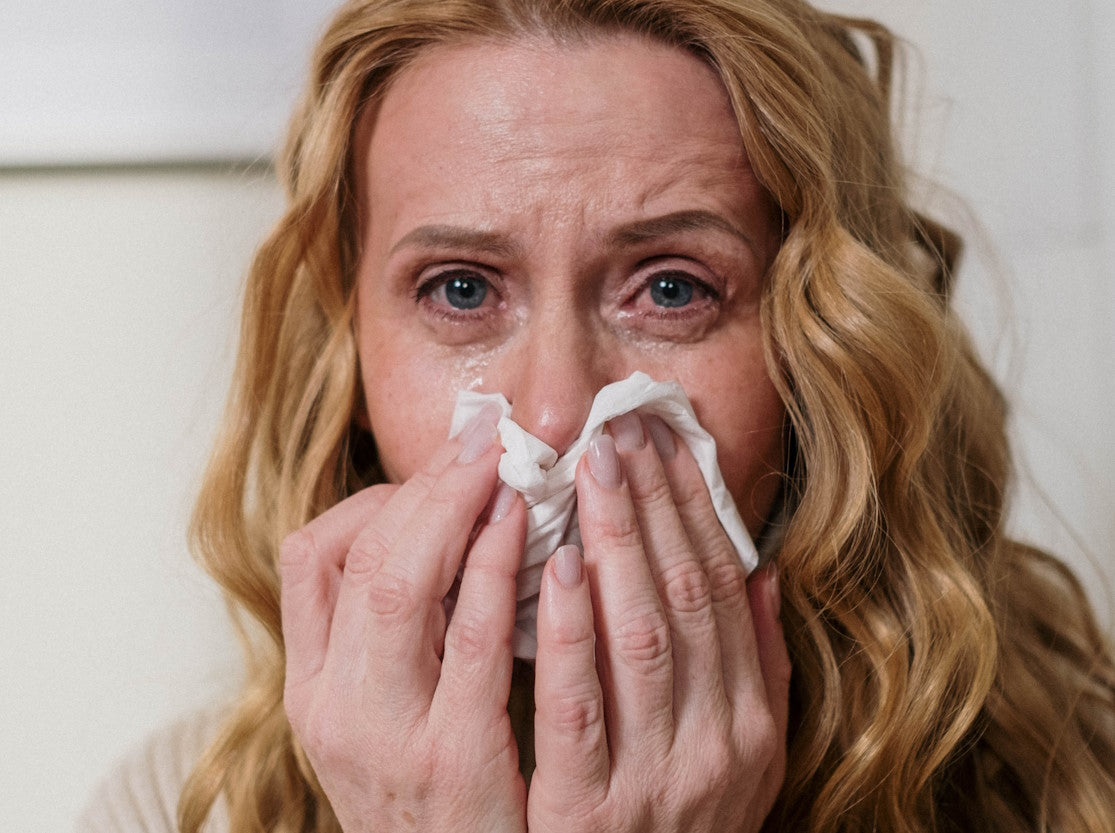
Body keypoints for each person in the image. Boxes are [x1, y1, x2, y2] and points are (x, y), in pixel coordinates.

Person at [80, 0, 1115, 831]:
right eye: (459, 290)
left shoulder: (1075, 777)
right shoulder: (185, 806)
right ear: (345, 364)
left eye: (671, 289)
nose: (554, 411)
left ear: (826, 355)